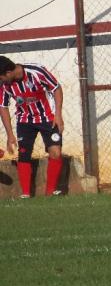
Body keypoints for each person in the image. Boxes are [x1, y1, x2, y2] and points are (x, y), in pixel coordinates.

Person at [0, 56, 65, 198]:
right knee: (23, 154)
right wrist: (10, 134)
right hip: (25, 121)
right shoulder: (5, 85)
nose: (1, 81)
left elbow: (56, 88)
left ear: (8, 73)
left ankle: (50, 193)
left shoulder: (36, 71)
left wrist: (58, 114)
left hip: (48, 118)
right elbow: (3, 107)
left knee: (56, 152)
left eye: (1, 78)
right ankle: (25, 194)